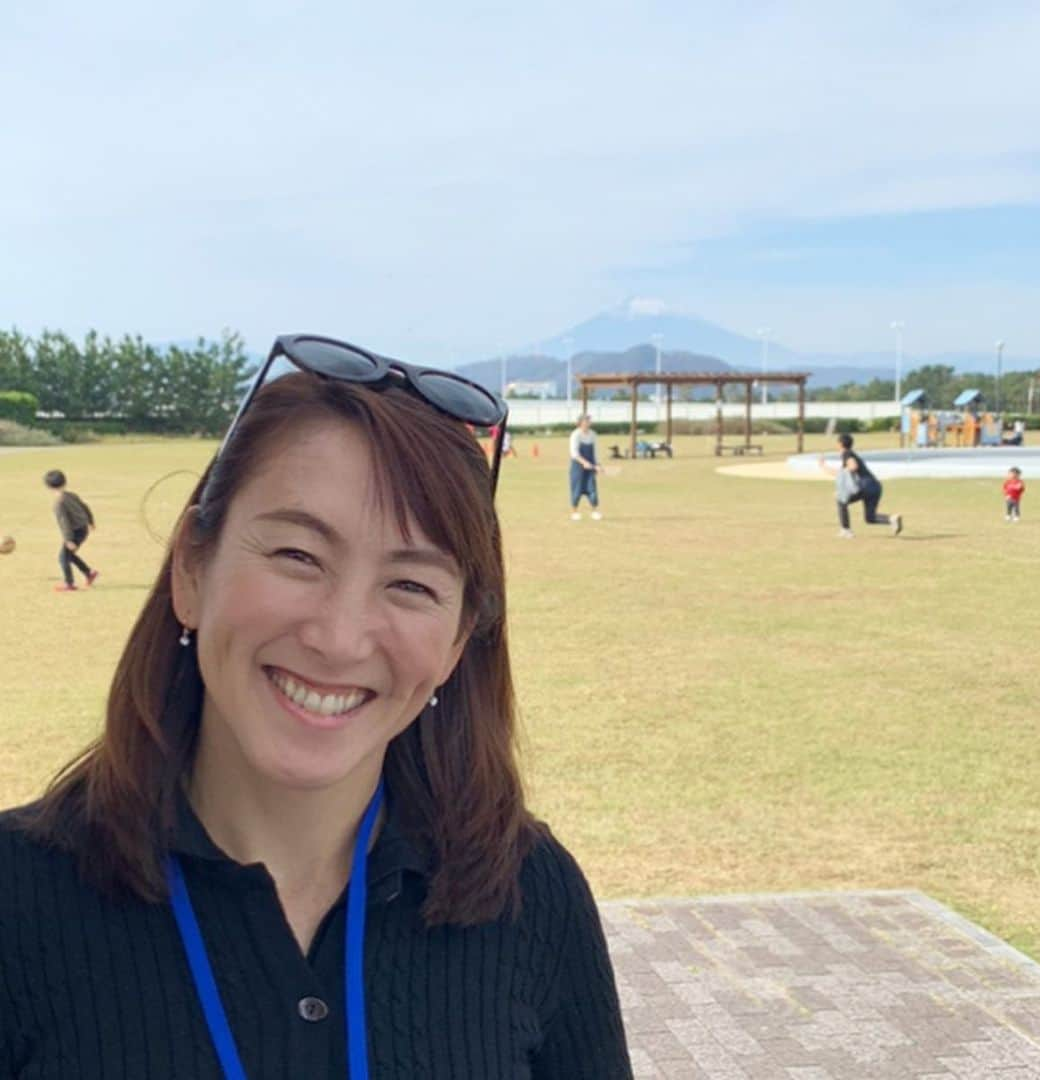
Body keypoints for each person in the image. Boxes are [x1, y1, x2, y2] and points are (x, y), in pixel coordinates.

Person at [1, 335, 631, 1079]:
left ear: (459, 641)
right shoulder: (19, 901)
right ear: (191, 570)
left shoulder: (530, 895)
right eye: (298, 556)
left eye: (411, 585)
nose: (337, 639)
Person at [818, 433, 903, 539]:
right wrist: (825, 467)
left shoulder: (846, 454)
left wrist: (824, 466)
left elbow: (853, 466)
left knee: (840, 499)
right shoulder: (851, 453)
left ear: (840, 444)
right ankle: (891, 519)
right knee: (870, 518)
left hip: (865, 485)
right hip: (875, 486)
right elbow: (842, 473)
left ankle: (846, 530)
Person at [43, 468, 99, 592]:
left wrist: (68, 540)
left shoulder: (58, 503)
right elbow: (85, 506)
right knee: (69, 556)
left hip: (74, 533)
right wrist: (90, 521)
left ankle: (69, 584)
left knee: (63, 558)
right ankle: (89, 573)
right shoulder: (71, 495)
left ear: (48, 486)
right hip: (82, 529)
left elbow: (64, 523)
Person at [569, 413, 602, 520]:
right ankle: (574, 512)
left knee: (592, 488)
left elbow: (596, 452)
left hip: (590, 465)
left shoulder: (593, 434)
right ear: (580, 423)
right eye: (586, 421)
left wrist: (597, 464)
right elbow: (574, 453)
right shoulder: (575, 435)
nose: (588, 423)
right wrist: (584, 463)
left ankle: (595, 511)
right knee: (576, 489)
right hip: (577, 466)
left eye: (589, 421)